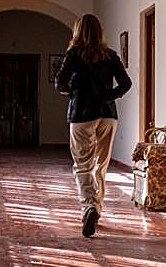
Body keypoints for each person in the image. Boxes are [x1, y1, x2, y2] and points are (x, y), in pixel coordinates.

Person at [55, 13, 132, 237]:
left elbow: (59, 82)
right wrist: (109, 96)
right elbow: (126, 83)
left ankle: (89, 206)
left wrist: (75, 92)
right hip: (108, 115)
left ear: (77, 31)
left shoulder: (73, 55)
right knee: (101, 164)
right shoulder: (110, 55)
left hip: (81, 114)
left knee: (83, 164)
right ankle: (96, 207)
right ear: (100, 31)